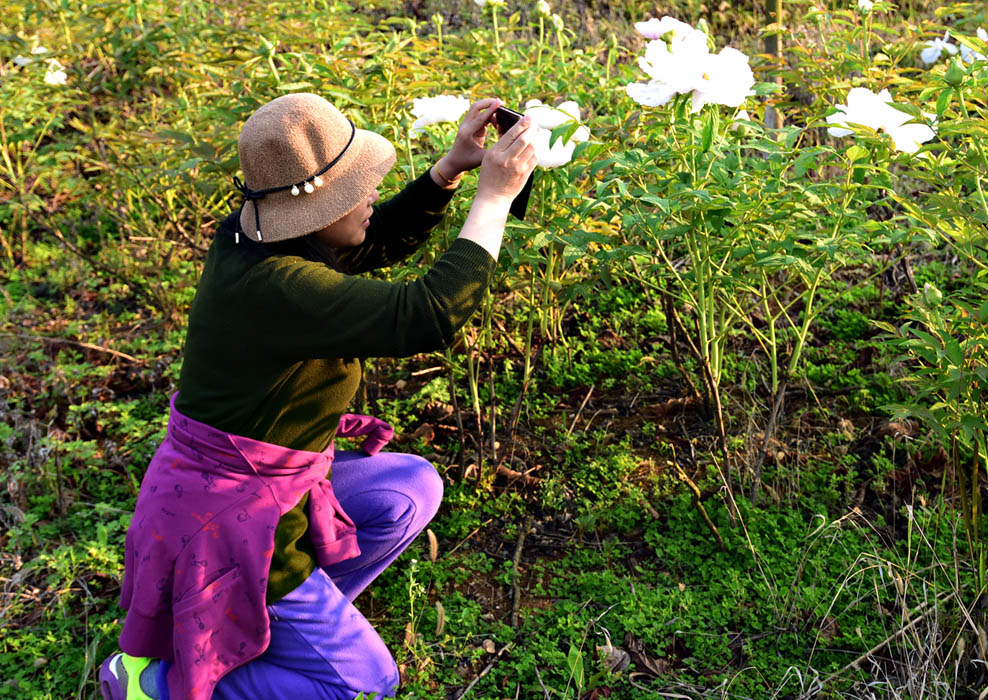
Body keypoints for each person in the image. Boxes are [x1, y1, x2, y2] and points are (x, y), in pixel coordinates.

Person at [97, 92, 538, 700]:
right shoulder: (280, 288)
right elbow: (428, 314)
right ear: (310, 209)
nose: (369, 197)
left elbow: (365, 239)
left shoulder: (251, 239)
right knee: (364, 687)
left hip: (244, 492)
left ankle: (267, 627)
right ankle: (159, 681)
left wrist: (447, 174)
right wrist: (493, 197)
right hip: (235, 524)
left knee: (409, 489)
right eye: (354, 188)